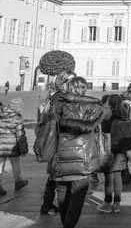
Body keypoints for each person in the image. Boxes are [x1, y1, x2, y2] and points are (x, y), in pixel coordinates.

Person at [47, 74, 106, 228]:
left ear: (69, 87)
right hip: (83, 158)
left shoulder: (58, 105)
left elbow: (48, 127)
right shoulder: (95, 107)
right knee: (77, 197)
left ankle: (66, 224)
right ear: (84, 89)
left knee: (62, 194)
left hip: (60, 156)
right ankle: (68, 226)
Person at [40, 70, 76, 216]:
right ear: (63, 82)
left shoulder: (58, 97)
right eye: (70, 81)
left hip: (59, 141)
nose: (73, 84)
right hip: (58, 141)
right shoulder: (60, 99)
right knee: (58, 176)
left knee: (53, 175)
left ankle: (47, 204)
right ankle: (57, 207)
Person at [97, 95, 131, 214]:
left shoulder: (107, 117)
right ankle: (117, 204)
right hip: (122, 150)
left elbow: (103, 133)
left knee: (109, 178)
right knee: (118, 177)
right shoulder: (124, 115)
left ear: (109, 103)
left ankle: (107, 203)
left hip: (109, 149)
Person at [0, 101, 28, 196]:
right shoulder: (16, 117)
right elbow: (20, 136)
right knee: (15, 164)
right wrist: (23, 150)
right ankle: (18, 182)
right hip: (13, 146)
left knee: (0, 166)